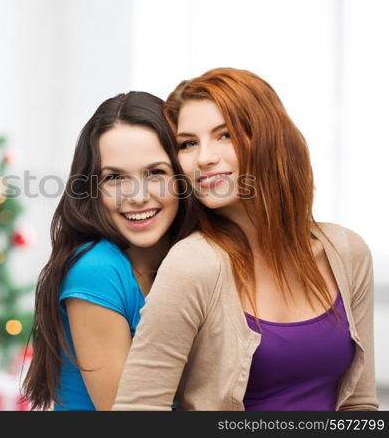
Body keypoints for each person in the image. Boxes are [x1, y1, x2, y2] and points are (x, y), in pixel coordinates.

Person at [113, 68, 378, 411]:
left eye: (225, 135)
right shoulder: (193, 264)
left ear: (271, 138)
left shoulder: (346, 252)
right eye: (188, 143)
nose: (205, 157)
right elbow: (139, 409)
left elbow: (359, 404)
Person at [22, 92, 198, 410]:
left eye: (155, 173)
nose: (137, 196)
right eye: (115, 178)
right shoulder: (96, 269)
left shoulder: (189, 264)